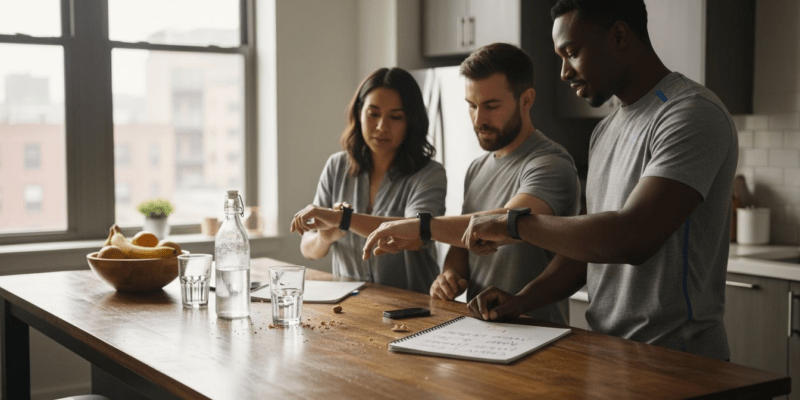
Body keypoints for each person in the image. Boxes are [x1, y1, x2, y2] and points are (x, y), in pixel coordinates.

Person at [456, 0, 738, 362]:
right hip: (608, 354)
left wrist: (514, 224)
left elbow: (632, 237)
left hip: (677, 359)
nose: (563, 72)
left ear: (619, 35)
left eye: (572, 53)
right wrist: (523, 300)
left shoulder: (689, 114)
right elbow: (586, 251)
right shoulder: (605, 130)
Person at [362, 43, 581, 325]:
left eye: (491, 106)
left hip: (537, 331)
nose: (479, 119)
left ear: (526, 100)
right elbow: (462, 247)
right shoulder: (477, 168)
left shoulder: (550, 163)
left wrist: (422, 226)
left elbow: (503, 225)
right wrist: (451, 275)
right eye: (472, 106)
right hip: (479, 327)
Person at [290, 67, 446, 294]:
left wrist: (343, 219)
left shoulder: (430, 173)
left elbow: (416, 235)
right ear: (359, 113)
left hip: (412, 308)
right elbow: (308, 248)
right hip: (351, 305)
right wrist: (326, 237)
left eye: (395, 117)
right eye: (373, 114)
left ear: (411, 121)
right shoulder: (337, 166)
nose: (382, 127)